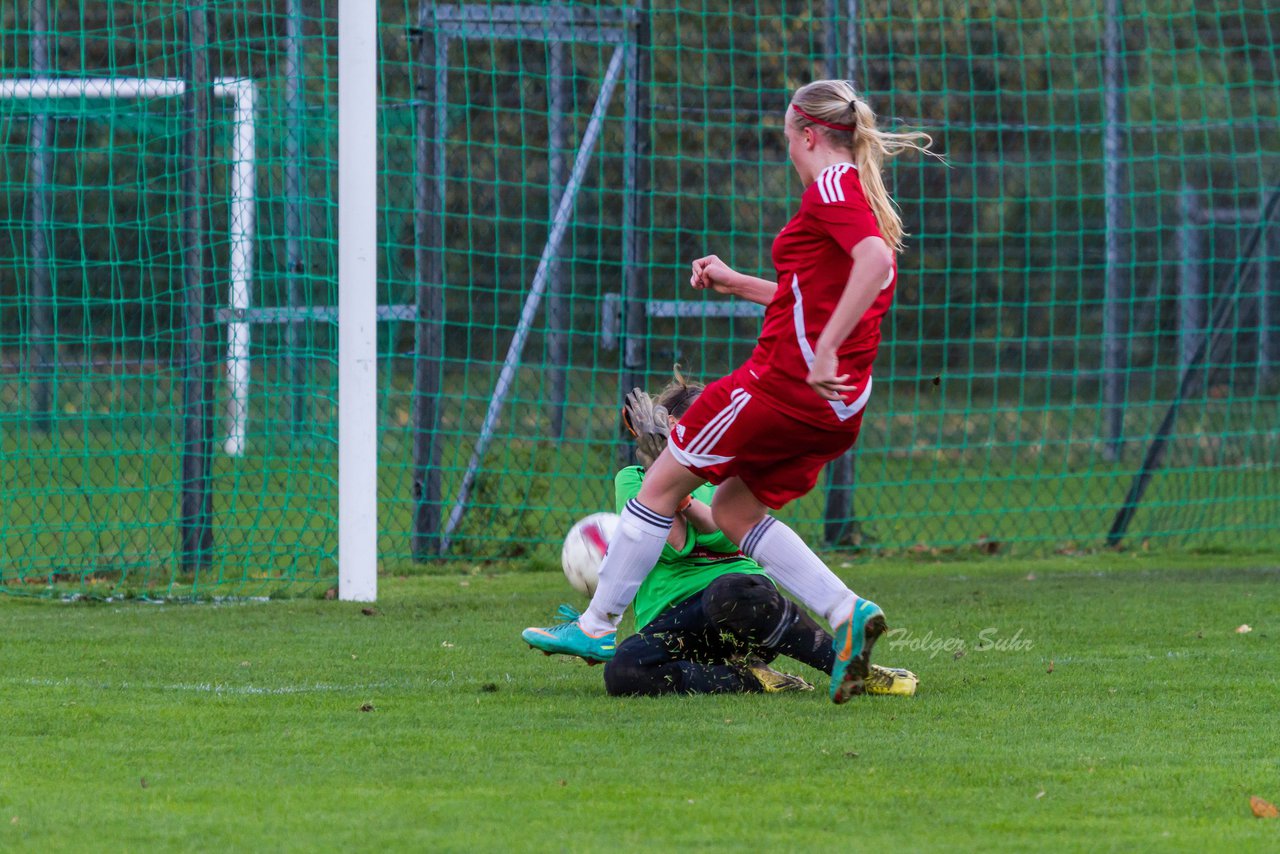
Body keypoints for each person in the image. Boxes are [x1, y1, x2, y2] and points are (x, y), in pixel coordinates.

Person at [524, 79, 934, 704]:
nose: (788, 153)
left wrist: (822, 350)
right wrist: (739, 283)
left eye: (786, 140)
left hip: (783, 386)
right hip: (837, 407)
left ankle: (597, 626)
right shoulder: (857, 194)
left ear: (806, 134)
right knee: (738, 512)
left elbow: (875, 264)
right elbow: (813, 297)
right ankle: (846, 612)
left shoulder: (831, 185)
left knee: (660, 481)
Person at [528, 374, 918, 698]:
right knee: (624, 671)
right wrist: (661, 472)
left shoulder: (732, 478)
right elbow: (675, 540)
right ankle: (754, 680)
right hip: (675, 623)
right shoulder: (634, 480)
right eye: (685, 433)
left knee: (729, 593)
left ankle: (855, 668)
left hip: (742, 610)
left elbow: (722, 531)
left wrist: (674, 488)